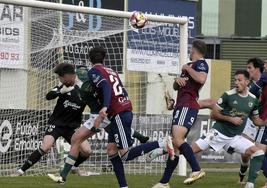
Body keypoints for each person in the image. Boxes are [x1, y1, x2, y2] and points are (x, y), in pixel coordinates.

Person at [49, 47, 174, 187]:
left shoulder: (90, 73)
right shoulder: (110, 71)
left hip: (112, 112)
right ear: (104, 59)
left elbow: (106, 87)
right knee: (111, 150)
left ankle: (162, 144)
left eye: (60, 77)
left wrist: (104, 108)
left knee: (123, 154)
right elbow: (114, 89)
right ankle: (123, 186)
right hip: (116, 111)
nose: (60, 80)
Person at [191, 70, 266, 188]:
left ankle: (250, 184)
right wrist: (231, 119)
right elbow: (213, 115)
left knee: (258, 153)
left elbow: (256, 120)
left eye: (239, 80)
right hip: (217, 133)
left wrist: (265, 122)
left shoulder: (253, 100)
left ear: (247, 82)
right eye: (235, 80)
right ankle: (161, 149)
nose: (236, 82)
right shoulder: (228, 95)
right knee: (188, 151)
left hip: (235, 138)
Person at [16, 63, 91, 176]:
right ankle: (20, 171)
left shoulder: (83, 91)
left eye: (62, 77)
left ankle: (74, 167)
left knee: (87, 151)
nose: (60, 79)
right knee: (45, 147)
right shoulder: (62, 87)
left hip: (72, 128)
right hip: (56, 124)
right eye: (60, 77)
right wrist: (60, 92)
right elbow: (48, 96)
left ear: (72, 76)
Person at [152, 40, 208, 188]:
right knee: (175, 147)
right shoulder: (189, 66)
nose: (189, 52)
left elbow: (201, 78)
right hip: (181, 105)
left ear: (195, 50)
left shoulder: (200, 64)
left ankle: (196, 169)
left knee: (177, 139)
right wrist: (177, 80)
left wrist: (187, 69)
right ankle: (164, 183)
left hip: (188, 105)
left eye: (191, 49)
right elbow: (178, 86)